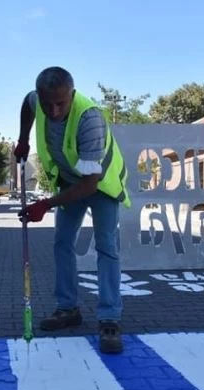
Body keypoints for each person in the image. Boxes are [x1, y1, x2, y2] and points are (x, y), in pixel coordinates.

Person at [14, 67, 131, 354]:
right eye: (47, 104)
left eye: (60, 104)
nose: (53, 111)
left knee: (106, 247)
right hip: (69, 182)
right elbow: (27, 104)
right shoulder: (37, 100)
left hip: (100, 185)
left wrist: (45, 204)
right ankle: (68, 309)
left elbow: (90, 184)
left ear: (72, 94)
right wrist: (23, 139)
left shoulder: (90, 118)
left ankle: (110, 319)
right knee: (62, 242)